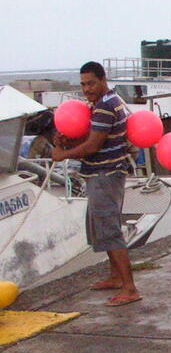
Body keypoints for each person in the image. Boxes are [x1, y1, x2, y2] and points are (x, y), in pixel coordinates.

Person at [51, 61, 141, 306]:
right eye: (83, 84)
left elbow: (93, 146)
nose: (86, 89)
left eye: (91, 83)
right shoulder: (106, 102)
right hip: (103, 173)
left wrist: (62, 154)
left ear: (103, 80)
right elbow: (95, 138)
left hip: (105, 174)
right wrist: (67, 142)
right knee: (102, 226)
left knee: (109, 229)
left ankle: (130, 288)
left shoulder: (104, 107)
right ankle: (115, 277)